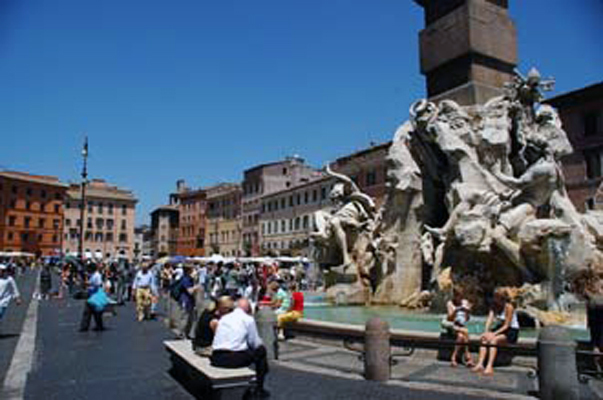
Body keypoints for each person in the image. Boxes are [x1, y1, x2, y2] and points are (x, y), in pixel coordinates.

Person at [211, 298, 270, 398]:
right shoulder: (248, 319)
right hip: (233, 359)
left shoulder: (224, 318)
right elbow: (255, 343)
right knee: (261, 351)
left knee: (244, 349)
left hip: (216, 358)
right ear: (248, 310)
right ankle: (259, 387)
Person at [472, 288, 519, 375]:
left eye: (496, 296)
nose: (494, 298)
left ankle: (489, 366)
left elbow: (507, 325)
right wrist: (486, 332)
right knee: (484, 339)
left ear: (501, 297)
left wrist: (493, 334)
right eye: (494, 296)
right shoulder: (494, 306)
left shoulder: (509, 307)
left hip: (511, 331)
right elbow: (489, 319)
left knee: (494, 340)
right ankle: (480, 364)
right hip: (500, 328)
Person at [444, 289, 474, 367]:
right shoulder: (450, 303)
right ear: (454, 296)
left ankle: (453, 358)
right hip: (453, 326)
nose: (460, 298)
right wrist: (456, 311)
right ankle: (468, 356)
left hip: (462, 326)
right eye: (458, 296)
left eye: (461, 296)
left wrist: (467, 311)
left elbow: (467, 319)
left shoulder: (465, 302)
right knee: (465, 331)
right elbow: (449, 318)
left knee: (461, 336)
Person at [79, 264, 105, 332]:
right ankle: (84, 327)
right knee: (87, 311)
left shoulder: (97, 275)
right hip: (90, 294)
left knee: (96, 312)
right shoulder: (92, 275)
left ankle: (99, 326)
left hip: (95, 295)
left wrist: (89, 284)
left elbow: (99, 284)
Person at [177, 265, 197, 338]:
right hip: (185, 300)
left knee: (190, 318)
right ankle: (182, 333)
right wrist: (196, 287)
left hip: (190, 301)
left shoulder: (190, 279)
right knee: (185, 317)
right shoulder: (185, 279)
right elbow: (190, 291)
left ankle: (186, 333)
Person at [0, 264, 22, 329]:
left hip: (3, 301)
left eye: (2, 271)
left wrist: (17, 298)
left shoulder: (9, 279)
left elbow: (14, 289)